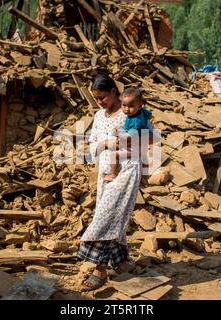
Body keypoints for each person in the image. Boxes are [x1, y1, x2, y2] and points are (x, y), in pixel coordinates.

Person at [77, 74, 153, 291]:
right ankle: (120, 263)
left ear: (113, 91)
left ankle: (100, 270)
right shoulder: (99, 116)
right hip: (105, 172)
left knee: (108, 217)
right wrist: (104, 142)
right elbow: (92, 145)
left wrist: (126, 143)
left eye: (102, 97)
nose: (100, 102)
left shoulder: (132, 113)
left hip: (126, 171)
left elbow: (149, 141)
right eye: (96, 98)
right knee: (111, 214)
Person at [104, 88, 152, 182]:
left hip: (134, 148)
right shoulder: (142, 111)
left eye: (131, 106)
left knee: (114, 154)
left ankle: (113, 174)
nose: (126, 109)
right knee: (143, 156)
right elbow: (149, 114)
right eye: (124, 105)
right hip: (142, 146)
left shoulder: (135, 121)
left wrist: (120, 139)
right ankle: (145, 173)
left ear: (139, 106)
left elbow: (131, 136)